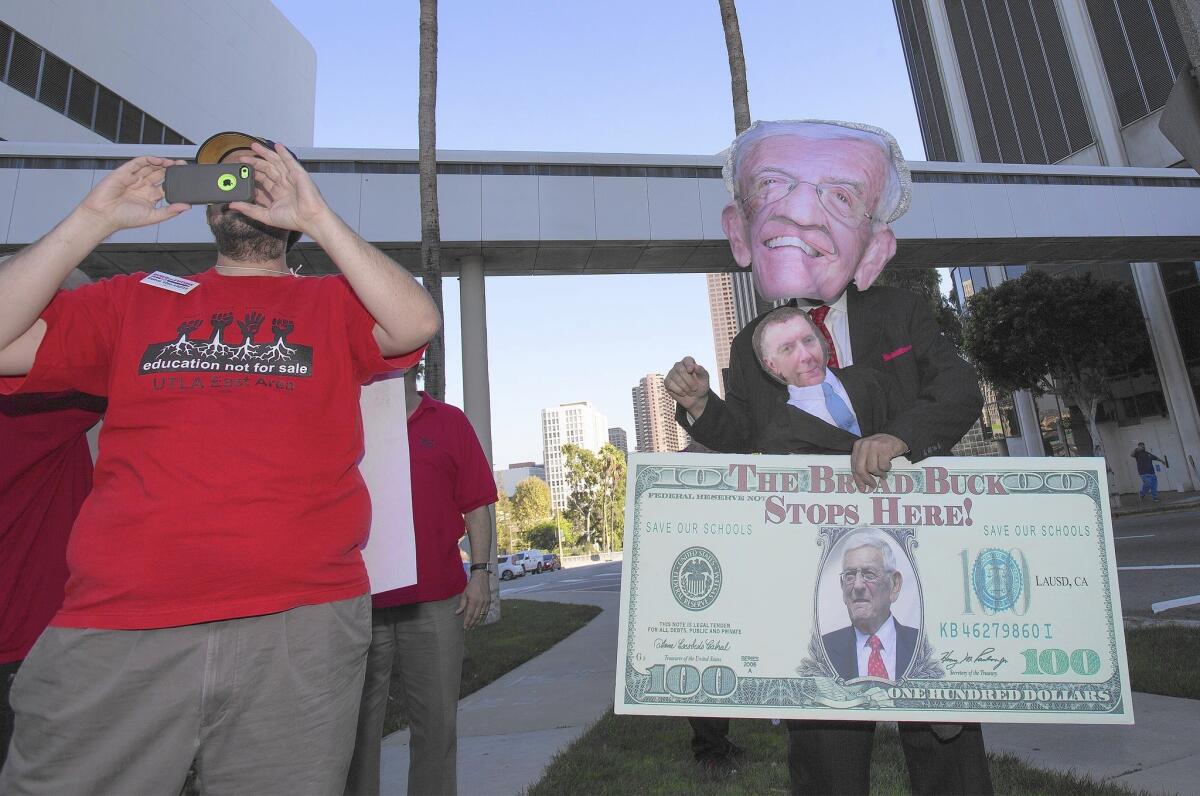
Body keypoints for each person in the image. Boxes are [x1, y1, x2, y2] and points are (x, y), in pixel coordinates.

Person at [0, 131, 440, 793]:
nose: (240, 188)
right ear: (207, 206)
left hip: (300, 622)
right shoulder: (132, 299)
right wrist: (94, 219)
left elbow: (416, 323)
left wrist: (316, 217)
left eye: (259, 176)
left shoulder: (330, 304)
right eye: (223, 179)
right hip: (120, 622)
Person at [664, 119, 990, 796]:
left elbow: (958, 389)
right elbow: (750, 440)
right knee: (827, 753)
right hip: (815, 565)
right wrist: (700, 407)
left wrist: (898, 437)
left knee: (945, 735)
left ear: (870, 246)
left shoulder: (899, 310)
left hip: (918, 552)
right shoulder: (753, 341)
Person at [346, 365, 497, 796]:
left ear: (418, 355)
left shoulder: (449, 422)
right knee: (356, 735)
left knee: (436, 728)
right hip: (361, 604)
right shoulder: (349, 420)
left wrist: (481, 574)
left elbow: (478, 504)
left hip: (436, 602)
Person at [751, 306, 902, 453]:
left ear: (822, 340)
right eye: (787, 349)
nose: (806, 356)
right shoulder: (776, 439)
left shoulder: (872, 379)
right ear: (771, 365)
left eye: (808, 340)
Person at [821, 532, 917, 682]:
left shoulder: (921, 646)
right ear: (842, 587)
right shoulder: (823, 651)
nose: (858, 585)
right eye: (850, 575)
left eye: (869, 574)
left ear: (894, 585)